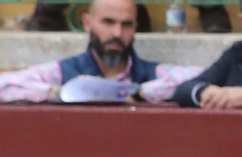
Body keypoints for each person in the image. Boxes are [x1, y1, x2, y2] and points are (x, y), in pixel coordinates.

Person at [0, 0, 198, 103]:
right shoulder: (64, 72)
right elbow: (4, 85)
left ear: (135, 27)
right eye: (108, 22)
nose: (117, 33)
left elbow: (202, 75)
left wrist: (137, 93)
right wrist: (63, 93)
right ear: (87, 23)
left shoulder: (150, 74)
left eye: (126, 25)